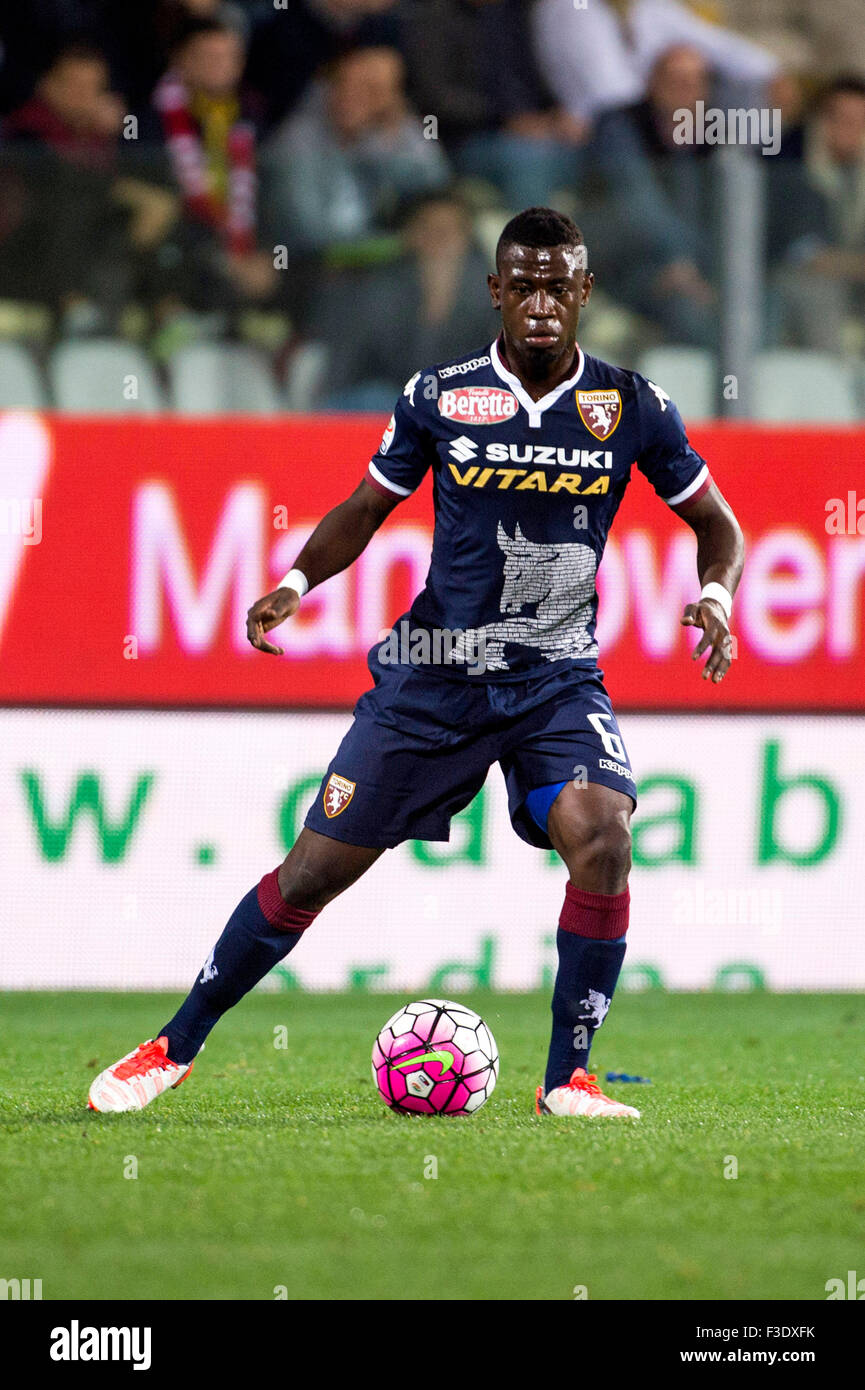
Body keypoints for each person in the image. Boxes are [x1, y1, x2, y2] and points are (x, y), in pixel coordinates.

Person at [88, 207, 744, 1120]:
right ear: (496, 292)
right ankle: (172, 1045)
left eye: (560, 285)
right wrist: (294, 580)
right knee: (311, 873)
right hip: (432, 676)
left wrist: (715, 596)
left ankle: (569, 1079)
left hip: (554, 678)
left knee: (601, 838)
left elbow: (716, 524)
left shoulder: (629, 407)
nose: (542, 303)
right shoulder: (439, 394)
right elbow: (366, 506)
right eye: (524, 285)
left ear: (586, 293)